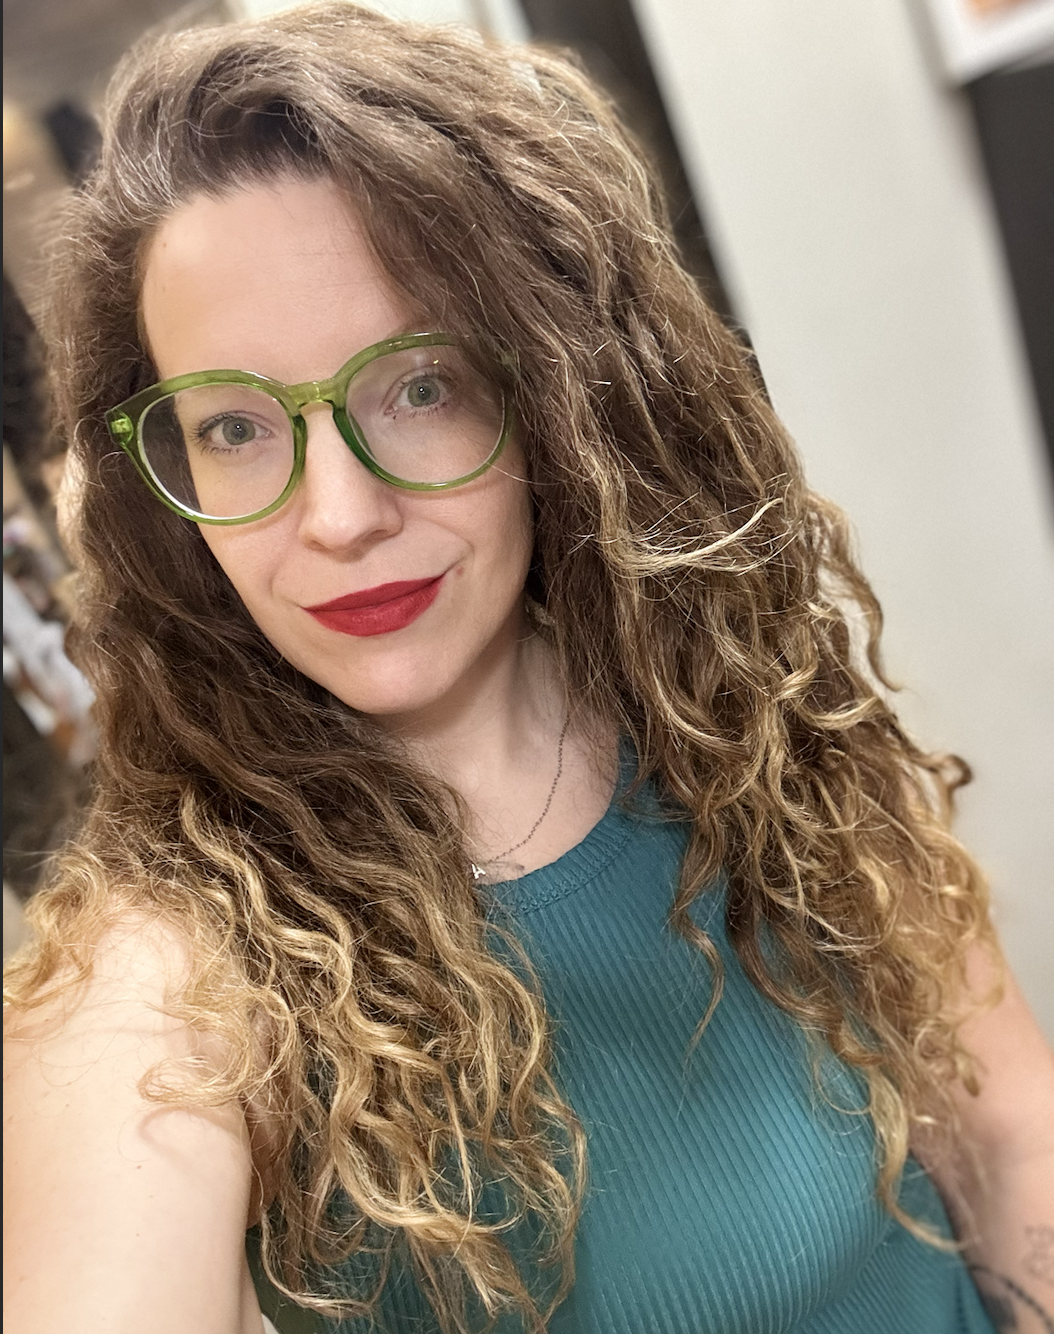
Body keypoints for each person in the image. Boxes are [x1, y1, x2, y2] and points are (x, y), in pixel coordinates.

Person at [4, 5, 1053, 1333]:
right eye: (234, 427)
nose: (339, 517)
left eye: (419, 386)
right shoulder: (169, 980)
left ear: (557, 394)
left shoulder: (747, 716)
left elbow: (1006, 1135)